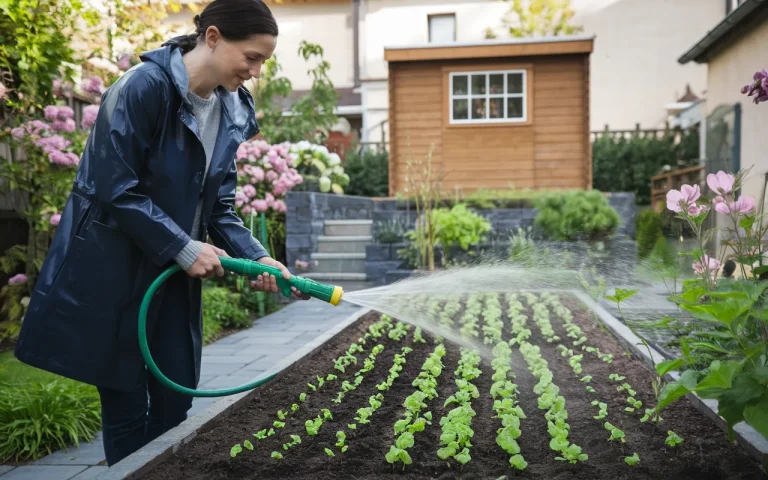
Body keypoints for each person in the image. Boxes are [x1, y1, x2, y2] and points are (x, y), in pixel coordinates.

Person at [13, 0, 306, 466]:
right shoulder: (143, 87)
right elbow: (114, 185)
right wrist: (181, 246)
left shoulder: (232, 107)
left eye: (263, 62)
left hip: (173, 274)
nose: (254, 72)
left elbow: (220, 206)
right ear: (212, 37)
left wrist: (256, 256)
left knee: (176, 401)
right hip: (116, 270)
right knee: (126, 401)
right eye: (250, 57)